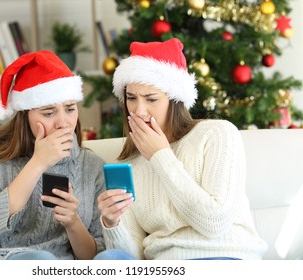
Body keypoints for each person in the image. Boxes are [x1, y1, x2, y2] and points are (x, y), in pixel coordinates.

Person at [97, 38, 268, 260]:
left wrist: (160, 156)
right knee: (107, 261)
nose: (138, 111)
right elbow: (134, 258)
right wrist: (112, 223)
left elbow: (214, 224)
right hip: (166, 266)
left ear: (175, 100)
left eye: (151, 99)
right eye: (131, 98)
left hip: (225, 258)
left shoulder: (218, 134)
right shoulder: (128, 164)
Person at [0, 50, 106, 260]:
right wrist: (37, 164)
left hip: (58, 268)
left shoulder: (92, 167)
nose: (63, 122)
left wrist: (73, 222)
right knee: (41, 260)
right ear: (25, 115)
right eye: (49, 112)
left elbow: (92, 258)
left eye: (70, 109)